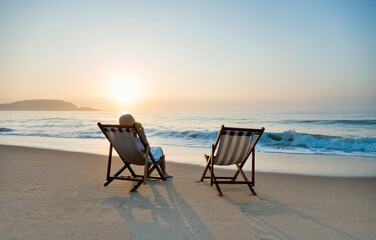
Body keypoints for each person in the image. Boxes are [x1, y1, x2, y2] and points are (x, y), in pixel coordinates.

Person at [119, 114, 172, 178]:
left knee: (148, 152)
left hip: (128, 158)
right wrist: (142, 133)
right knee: (158, 151)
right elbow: (147, 147)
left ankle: (147, 173)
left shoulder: (120, 139)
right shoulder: (137, 141)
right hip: (141, 159)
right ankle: (164, 173)